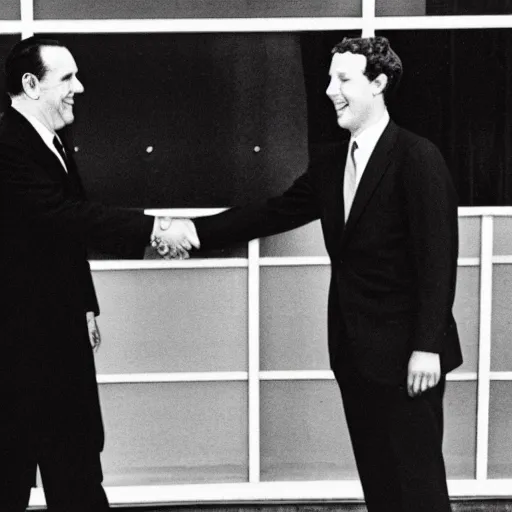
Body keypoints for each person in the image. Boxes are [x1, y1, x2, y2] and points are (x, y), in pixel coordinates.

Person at [174, 36, 463, 512]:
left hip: (409, 362)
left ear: (379, 83)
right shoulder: (332, 162)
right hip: (355, 355)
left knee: (419, 491)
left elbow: (438, 259)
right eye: (329, 78)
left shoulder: (417, 157)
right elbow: (272, 213)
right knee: (382, 486)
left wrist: (426, 347)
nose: (330, 89)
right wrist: (193, 231)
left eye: (343, 79)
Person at [0, 37, 198, 511]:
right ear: (30, 85)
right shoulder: (8, 145)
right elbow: (64, 216)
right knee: (24, 468)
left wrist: (85, 305)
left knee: (75, 467)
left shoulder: (51, 141)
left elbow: (67, 233)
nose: (80, 88)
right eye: (67, 78)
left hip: (54, 332)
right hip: (20, 346)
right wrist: (157, 228)